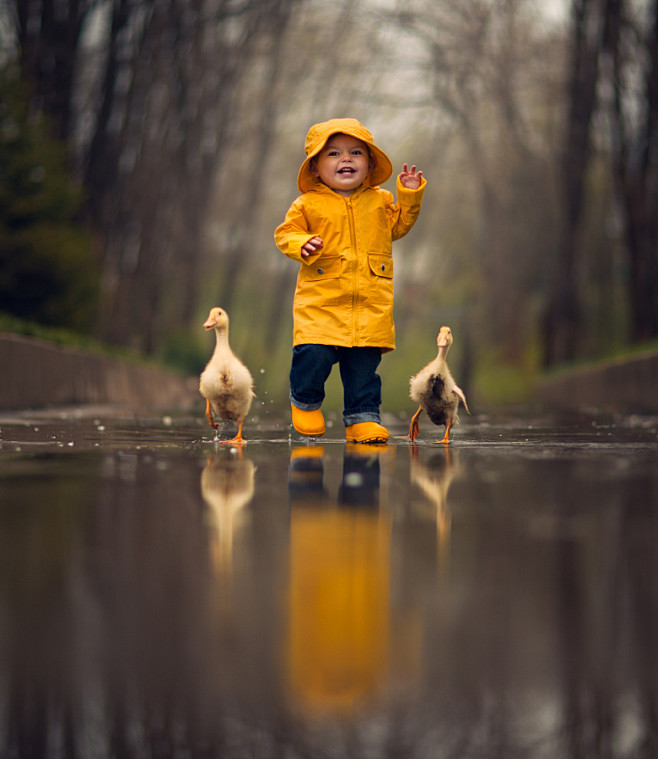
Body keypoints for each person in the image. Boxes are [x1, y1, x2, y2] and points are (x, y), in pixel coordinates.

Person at [274, 118, 426, 443]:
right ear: (315, 167)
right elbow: (285, 234)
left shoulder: (380, 200)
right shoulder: (307, 204)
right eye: (333, 154)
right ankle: (305, 401)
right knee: (312, 355)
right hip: (320, 305)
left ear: (369, 163)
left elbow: (398, 226)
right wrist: (302, 244)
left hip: (370, 307)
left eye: (356, 152)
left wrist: (409, 196)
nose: (346, 159)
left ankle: (362, 419)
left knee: (363, 370)